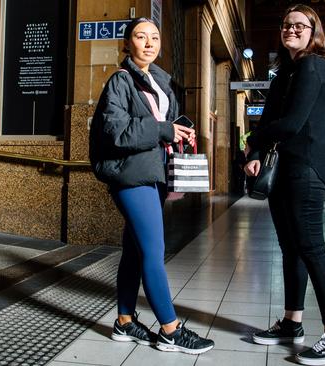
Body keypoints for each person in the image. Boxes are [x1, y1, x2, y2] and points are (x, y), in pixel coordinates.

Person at [89, 17, 214, 355]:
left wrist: (176, 130)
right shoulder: (120, 81)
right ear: (127, 43)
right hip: (131, 176)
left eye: (155, 37)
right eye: (140, 36)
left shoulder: (159, 82)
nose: (149, 43)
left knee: (135, 250)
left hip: (153, 173)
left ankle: (124, 322)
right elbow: (116, 131)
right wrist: (162, 130)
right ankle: (171, 330)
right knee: (154, 253)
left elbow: (161, 126)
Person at [243, 4, 325, 365]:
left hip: (306, 168)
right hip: (284, 170)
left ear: (313, 31)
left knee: (312, 249)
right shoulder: (282, 74)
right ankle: (292, 323)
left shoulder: (313, 66)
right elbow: (271, 120)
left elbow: (291, 123)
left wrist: (256, 137)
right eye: (286, 25)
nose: (291, 29)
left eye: (300, 25)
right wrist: (255, 148)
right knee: (290, 249)